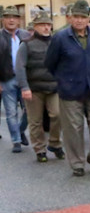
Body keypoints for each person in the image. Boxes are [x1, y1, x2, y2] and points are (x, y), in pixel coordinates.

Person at [44, 0, 90, 177]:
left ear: (88, 19)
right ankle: (77, 163)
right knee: (74, 127)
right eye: (76, 17)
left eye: (83, 17)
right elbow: (50, 63)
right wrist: (63, 80)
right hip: (70, 90)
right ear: (70, 18)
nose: (79, 20)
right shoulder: (60, 37)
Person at [15, 12, 64, 162]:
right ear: (35, 27)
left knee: (57, 115)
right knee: (35, 121)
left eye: (48, 25)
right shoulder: (26, 44)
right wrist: (24, 87)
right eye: (42, 25)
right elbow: (20, 67)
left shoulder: (56, 42)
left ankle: (55, 143)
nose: (46, 28)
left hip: (54, 87)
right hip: (34, 89)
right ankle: (39, 149)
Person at [0, 5, 31, 152]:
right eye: (8, 17)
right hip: (6, 79)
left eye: (14, 17)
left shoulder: (26, 36)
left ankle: (20, 130)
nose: (11, 20)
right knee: (11, 112)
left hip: (24, 79)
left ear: (19, 20)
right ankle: (16, 141)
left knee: (29, 110)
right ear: (2, 20)